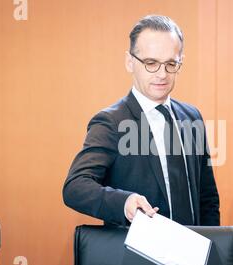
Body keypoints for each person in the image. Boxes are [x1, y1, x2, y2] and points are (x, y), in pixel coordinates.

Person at [63, 15, 220, 226]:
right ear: (130, 62)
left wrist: (212, 247)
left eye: (171, 64)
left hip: (191, 253)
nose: (162, 74)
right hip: (135, 255)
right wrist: (124, 201)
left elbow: (207, 197)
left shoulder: (192, 117)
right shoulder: (111, 121)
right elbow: (75, 187)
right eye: (151, 63)